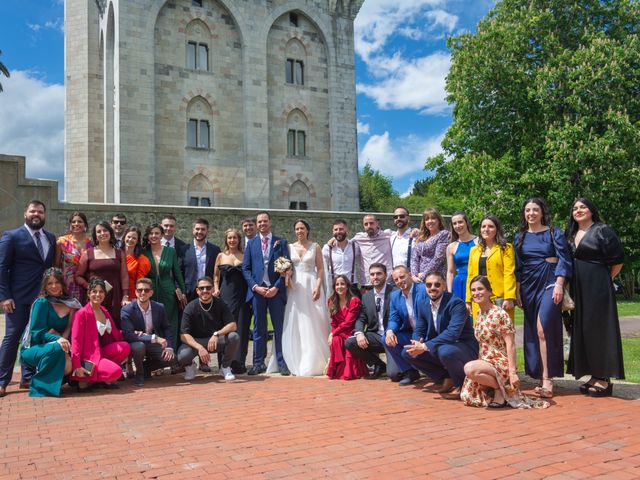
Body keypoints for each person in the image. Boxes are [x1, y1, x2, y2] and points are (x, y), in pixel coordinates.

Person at [566, 198, 625, 397]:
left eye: (583, 207)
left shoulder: (603, 231)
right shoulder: (571, 233)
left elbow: (618, 261)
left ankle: (604, 378)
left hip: (598, 287)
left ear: (591, 210)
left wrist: (605, 281)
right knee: (583, 329)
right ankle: (593, 374)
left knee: (600, 330)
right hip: (578, 287)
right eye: (575, 208)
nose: (578, 210)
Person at [515, 197, 572, 398]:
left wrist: (559, 283)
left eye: (535, 210)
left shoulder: (553, 232)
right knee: (532, 330)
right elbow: (518, 266)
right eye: (528, 210)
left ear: (542, 212)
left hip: (549, 281)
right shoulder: (520, 237)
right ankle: (540, 375)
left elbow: (564, 259)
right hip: (528, 285)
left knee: (543, 328)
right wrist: (517, 290)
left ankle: (548, 379)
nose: (531, 213)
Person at [462, 276, 548, 408]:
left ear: (489, 292)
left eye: (480, 289)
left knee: (469, 369)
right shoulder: (479, 313)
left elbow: (511, 344)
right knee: (467, 396)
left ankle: (500, 390)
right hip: (485, 360)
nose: (476, 293)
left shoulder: (499, 314)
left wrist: (512, 372)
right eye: (473, 290)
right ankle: (501, 387)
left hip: (500, 361)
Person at [0, 200, 56, 396]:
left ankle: (27, 377)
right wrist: (5, 297)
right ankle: (2, 380)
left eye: (40, 211)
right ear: (25, 213)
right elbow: (2, 268)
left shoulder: (50, 237)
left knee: (33, 337)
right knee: (13, 337)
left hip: (42, 300)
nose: (36, 214)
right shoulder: (12, 236)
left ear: (44, 215)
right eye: (33, 211)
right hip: (18, 298)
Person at [402, 271, 478, 398]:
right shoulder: (422, 303)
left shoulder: (456, 303)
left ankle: (461, 386)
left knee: (445, 351)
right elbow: (419, 330)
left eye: (437, 285)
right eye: (429, 285)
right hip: (440, 345)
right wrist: (417, 343)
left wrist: (425, 346)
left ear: (444, 286)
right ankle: (446, 378)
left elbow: (453, 333)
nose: (433, 288)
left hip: (463, 346)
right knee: (408, 353)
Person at [277, 219, 330, 376]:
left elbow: (320, 268)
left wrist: (318, 286)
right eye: (297, 229)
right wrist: (284, 273)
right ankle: (296, 356)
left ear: (307, 230)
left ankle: (316, 359)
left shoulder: (315, 247)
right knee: (296, 319)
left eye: (302, 228)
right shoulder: (289, 247)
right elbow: (286, 266)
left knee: (315, 320)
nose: (300, 231)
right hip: (294, 286)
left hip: (311, 284)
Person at [242, 211, 290, 375]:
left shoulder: (280, 242)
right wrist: (255, 287)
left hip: (275, 291)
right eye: (259, 222)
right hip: (258, 292)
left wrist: (276, 287)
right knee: (258, 329)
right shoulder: (251, 244)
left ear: (270, 222)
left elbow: (286, 267)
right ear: (257, 224)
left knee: (278, 327)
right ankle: (257, 363)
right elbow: (246, 269)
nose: (262, 224)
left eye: (264, 221)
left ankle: (282, 362)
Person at [20, 268, 82, 397]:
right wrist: (56, 339)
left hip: (59, 345)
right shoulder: (42, 303)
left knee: (69, 365)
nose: (54, 286)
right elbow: (37, 332)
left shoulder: (71, 303)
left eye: (57, 282)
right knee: (56, 348)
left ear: (62, 284)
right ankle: (41, 386)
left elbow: (69, 328)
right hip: (35, 348)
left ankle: (55, 382)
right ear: (45, 286)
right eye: (49, 283)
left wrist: (62, 341)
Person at [69, 278, 131, 391]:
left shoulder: (104, 311)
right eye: (94, 291)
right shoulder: (81, 314)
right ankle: (85, 378)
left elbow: (116, 334)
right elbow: (76, 341)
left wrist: (135, 333)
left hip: (100, 353)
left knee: (125, 347)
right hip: (89, 357)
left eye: (101, 291)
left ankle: (96, 377)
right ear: (89, 293)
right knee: (116, 372)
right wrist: (77, 365)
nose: (98, 294)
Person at [177, 276, 239, 382]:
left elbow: (233, 325)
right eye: (201, 288)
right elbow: (183, 335)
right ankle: (190, 366)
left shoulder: (220, 303)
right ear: (197, 291)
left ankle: (225, 367)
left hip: (215, 340)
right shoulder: (190, 307)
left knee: (234, 337)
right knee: (182, 356)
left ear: (213, 289)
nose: (205, 291)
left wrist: (217, 334)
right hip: (197, 341)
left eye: (208, 288)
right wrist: (199, 347)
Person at [345, 263, 399, 380]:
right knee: (350, 342)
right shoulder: (366, 297)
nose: (375, 277)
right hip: (375, 336)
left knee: (394, 375)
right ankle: (378, 364)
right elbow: (361, 318)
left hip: (393, 337)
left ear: (385, 275)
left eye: (379, 274)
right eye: (372, 274)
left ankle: (403, 366)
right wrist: (359, 333)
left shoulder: (396, 292)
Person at [120, 278, 176, 386]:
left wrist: (169, 347)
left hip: (151, 343)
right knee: (138, 347)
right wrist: (153, 338)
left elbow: (167, 328)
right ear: (136, 292)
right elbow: (128, 335)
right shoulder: (127, 310)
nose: (142, 293)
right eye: (139, 290)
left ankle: (145, 368)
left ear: (151, 293)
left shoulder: (159, 307)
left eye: (146, 290)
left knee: (172, 359)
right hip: (135, 343)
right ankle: (139, 374)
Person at [76, 221, 130, 326]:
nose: (102, 233)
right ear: (95, 236)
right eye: (99, 231)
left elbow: (124, 276)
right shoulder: (88, 253)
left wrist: (125, 296)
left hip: (115, 296)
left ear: (110, 232)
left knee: (114, 326)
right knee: (95, 326)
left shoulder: (120, 253)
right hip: (95, 297)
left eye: (105, 230)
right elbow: (78, 276)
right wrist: (89, 286)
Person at [142, 223, 187, 350]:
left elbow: (177, 273)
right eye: (151, 233)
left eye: (157, 233)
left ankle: (171, 354)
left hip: (168, 290)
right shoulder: (143, 252)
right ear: (148, 236)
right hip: (150, 291)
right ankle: (156, 358)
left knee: (169, 322)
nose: (154, 236)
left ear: (162, 235)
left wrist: (182, 291)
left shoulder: (170, 251)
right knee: (152, 322)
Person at [466, 215, 516, 321]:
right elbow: (470, 276)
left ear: (497, 229)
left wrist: (509, 297)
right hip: (478, 299)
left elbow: (509, 273)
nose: (486, 229)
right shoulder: (474, 250)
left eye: (490, 226)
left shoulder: (506, 248)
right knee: (482, 333)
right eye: (483, 226)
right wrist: (468, 300)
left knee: (502, 332)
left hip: (500, 299)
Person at [213, 228, 249, 374]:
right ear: (226, 240)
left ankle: (239, 362)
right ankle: (224, 363)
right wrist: (216, 289)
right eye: (229, 238)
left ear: (239, 240)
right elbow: (215, 277)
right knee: (225, 328)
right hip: (225, 296)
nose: (232, 240)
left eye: (235, 238)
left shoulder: (245, 255)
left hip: (242, 297)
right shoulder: (221, 256)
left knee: (241, 328)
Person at [384, 265, 427, 386]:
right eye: (396, 279)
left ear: (409, 274)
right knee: (386, 338)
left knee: (407, 351)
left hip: (427, 333)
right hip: (410, 333)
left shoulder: (423, 289)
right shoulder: (395, 296)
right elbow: (394, 318)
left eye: (402, 277)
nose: (399, 281)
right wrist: (390, 331)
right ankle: (410, 372)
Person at [326, 275, 368, 380]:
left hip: (351, 331)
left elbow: (348, 322)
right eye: (337, 284)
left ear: (347, 286)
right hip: (339, 332)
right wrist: (333, 333)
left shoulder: (354, 301)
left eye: (342, 284)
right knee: (335, 340)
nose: (339, 286)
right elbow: (334, 322)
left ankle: (349, 372)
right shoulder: (331, 301)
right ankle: (337, 371)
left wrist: (332, 333)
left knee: (341, 340)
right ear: (334, 287)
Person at [55, 211, 92, 301]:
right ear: (70, 225)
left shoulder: (92, 242)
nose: (76, 224)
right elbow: (56, 264)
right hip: (67, 284)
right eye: (74, 222)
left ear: (85, 225)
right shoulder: (62, 241)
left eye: (80, 221)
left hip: (86, 283)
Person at [181, 218, 221, 302]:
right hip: (189, 292)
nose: (199, 232)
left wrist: (216, 287)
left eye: (203, 229)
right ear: (193, 230)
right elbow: (179, 272)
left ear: (207, 231)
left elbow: (218, 272)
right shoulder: (184, 250)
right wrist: (181, 290)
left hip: (208, 291)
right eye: (197, 229)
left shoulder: (215, 250)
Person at [322, 219, 363, 294]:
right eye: (335, 229)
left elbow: (362, 264)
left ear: (346, 230)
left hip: (352, 286)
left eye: (341, 229)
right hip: (335, 287)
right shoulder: (327, 248)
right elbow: (322, 268)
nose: (338, 231)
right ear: (333, 232)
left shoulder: (355, 246)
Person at [410, 208, 451, 282]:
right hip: (418, 279)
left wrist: (424, 274)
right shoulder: (421, 237)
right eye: (427, 219)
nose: (430, 221)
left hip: (435, 278)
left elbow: (438, 258)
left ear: (439, 220)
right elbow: (414, 258)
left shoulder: (443, 234)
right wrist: (414, 275)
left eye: (433, 218)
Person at [445, 212, 477, 302]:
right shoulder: (451, 247)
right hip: (460, 283)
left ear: (466, 223)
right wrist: (450, 292)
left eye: (460, 222)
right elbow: (450, 272)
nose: (457, 225)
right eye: (454, 223)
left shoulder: (479, 242)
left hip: (477, 281)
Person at [124, 226, 151, 299]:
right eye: (128, 237)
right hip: (115, 291)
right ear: (124, 237)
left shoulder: (142, 259)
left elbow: (140, 283)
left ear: (137, 241)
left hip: (132, 294)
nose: (130, 240)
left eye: (134, 238)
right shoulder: (116, 254)